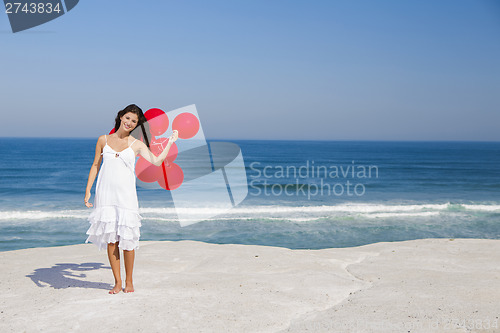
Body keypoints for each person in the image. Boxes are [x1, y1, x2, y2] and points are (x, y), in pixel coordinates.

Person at [84, 104, 178, 294]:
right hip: (105, 195)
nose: (129, 123)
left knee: (127, 240)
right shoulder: (103, 140)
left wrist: (170, 142)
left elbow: (157, 161)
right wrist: (87, 191)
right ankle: (117, 282)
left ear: (136, 125)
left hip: (126, 197)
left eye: (134, 121)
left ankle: (129, 281)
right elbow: (95, 165)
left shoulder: (136, 145)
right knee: (111, 240)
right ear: (120, 117)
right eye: (127, 118)